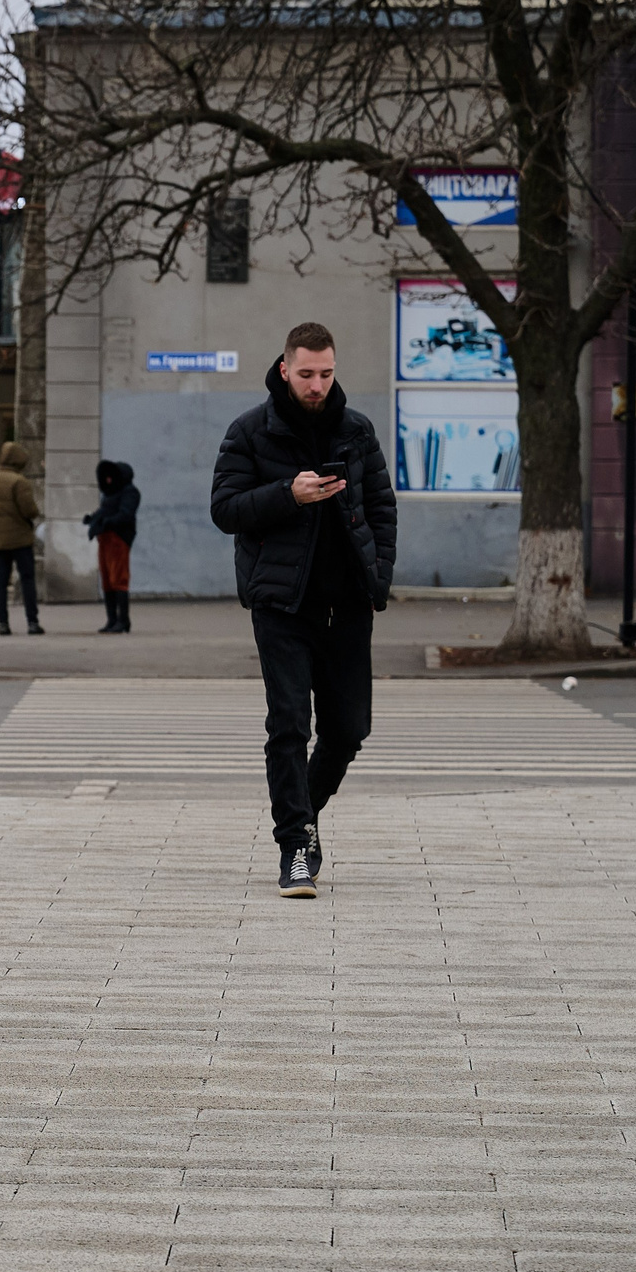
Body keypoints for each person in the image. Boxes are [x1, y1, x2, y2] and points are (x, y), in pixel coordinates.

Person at [210, 322, 396, 899]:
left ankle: (302, 816)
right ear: (285, 368)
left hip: (347, 607)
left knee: (347, 732)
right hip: (282, 606)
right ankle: (295, 847)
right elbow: (224, 508)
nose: (318, 384)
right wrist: (286, 495)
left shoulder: (356, 430)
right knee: (289, 726)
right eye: (308, 373)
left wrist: (377, 579)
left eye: (327, 373)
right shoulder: (250, 432)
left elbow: (382, 508)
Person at [0, 440, 43, 635]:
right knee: (27, 579)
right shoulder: (19, 482)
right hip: (21, 539)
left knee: (0, 582)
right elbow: (29, 510)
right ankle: (32, 621)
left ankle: (2, 623)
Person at [82, 460, 140, 633]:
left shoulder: (130, 492)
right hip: (105, 539)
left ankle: (123, 621)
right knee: (107, 580)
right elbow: (103, 510)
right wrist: (92, 519)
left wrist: (106, 522)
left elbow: (126, 514)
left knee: (119, 579)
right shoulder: (110, 493)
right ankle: (112, 620)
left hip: (119, 539)